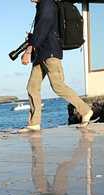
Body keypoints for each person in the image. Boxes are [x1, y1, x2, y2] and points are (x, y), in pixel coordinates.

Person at [21, 0, 95, 132]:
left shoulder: (47, 4)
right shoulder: (43, 5)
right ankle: (34, 124)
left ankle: (85, 110)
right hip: (41, 53)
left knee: (58, 86)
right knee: (32, 87)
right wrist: (33, 39)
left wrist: (29, 50)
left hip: (49, 53)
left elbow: (44, 27)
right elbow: (44, 29)